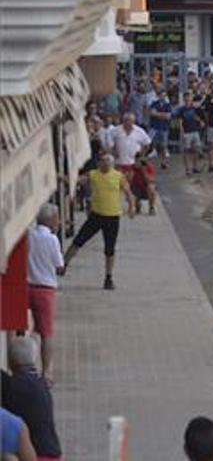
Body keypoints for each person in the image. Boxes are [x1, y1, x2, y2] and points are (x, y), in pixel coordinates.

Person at [64, 154, 135, 290]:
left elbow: (128, 193)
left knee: (109, 249)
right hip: (96, 215)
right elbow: (78, 181)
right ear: (99, 163)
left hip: (112, 216)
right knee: (79, 240)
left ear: (112, 164)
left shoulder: (118, 176)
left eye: (108, 161)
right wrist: (64, 178)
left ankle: (108, 277)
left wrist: (131, 207)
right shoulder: (93, 174)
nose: (105, 163)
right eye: (103, 161)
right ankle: (64, 264)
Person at [1, 337, 62, 461]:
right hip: (53, 452)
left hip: (34, 454)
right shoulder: (42, 385)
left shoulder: (10, 386)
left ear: (10, 362)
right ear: (34, 361)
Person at [26, 204, 65, 384]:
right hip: (45, 289)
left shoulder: (29, 235)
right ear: (50, 220)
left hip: (27, 287)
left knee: (24, 328)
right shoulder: (51, 239)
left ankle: (25, 365)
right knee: (46, 333)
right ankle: (46, 373)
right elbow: (59, 265)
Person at [108, 112, 151, 180]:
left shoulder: (139, 131)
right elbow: (109, 141)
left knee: (130, 181)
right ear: (123, 121)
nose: (128, 122)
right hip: (119, 162)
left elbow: (147, 143)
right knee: (119, 181)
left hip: (132, 162)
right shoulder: (115, 130)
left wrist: (142, 155)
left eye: (130, 120)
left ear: (133, 121)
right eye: (126, 120)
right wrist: (112, 150)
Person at [175, 92, 206, 175]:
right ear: (184, 99)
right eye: (187, 97)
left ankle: (194, 167)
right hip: (187, 132)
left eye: (189, 97)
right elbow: (180, 122)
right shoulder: (181, 109)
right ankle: (187, 168)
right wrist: (182, 132)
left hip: (194, 130)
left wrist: (200, 121)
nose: (188, 99)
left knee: (196, 149)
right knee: (186, 151)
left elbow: (195, 116)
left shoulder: (193, 108)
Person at [148, 89, 174, 169]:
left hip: (164, 128)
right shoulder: (154, 104)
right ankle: (147, 164)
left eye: (164, 95)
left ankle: (164, 162)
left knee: (163, 146)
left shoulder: (168, 105)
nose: (162, 97)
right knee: (150, 144)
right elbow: (152, 113)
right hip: (154, 127)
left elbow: (169, 116)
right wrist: (163, 115)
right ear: (158, 96)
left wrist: (158, 114)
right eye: (161, 95)